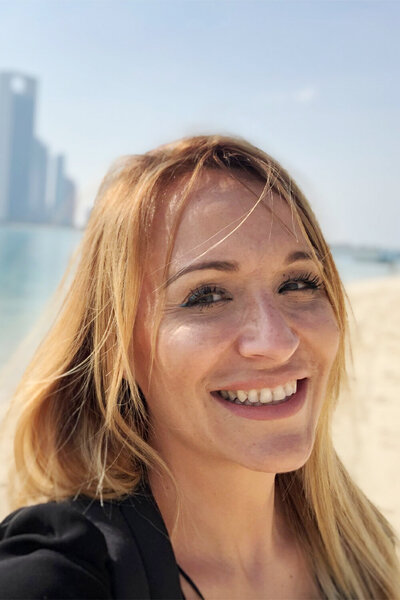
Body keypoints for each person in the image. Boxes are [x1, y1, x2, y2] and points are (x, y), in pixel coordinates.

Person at [0, 135, 399, 599]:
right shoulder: (58, 577)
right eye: (206, 294)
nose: (277, 341)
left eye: (298, 283)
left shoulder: (365, 555)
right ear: (119, 351)